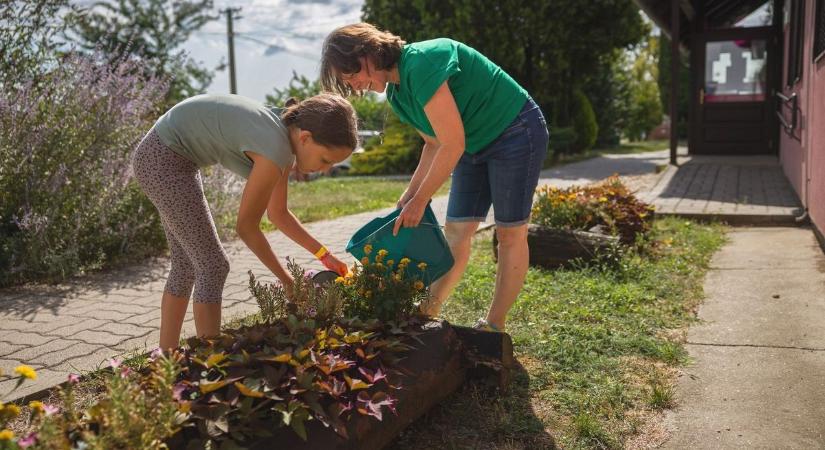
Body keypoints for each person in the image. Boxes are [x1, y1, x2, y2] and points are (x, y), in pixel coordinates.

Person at [320, 23, 549, 332]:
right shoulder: (398, 96)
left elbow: (452, 143)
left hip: (514, 130)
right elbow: (433, 143)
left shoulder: (421, 62)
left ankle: (494, 325)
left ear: (367, 54)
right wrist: (409, 196)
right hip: (471, 144)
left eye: (352, 75)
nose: (356, 86)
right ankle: (426, 313)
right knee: (456, 231)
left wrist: (422, 200)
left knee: (509, 232)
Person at [132, 93, 355, 350]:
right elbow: (246, 228)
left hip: (166, 156)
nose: (326, 169)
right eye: (325, 160)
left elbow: (278, 214)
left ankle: (167, 358)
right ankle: (208, 365)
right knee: (212, 266)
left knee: (186, 265)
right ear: (305, 138)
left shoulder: (283, 137)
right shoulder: (275, 150)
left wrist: (324, 256)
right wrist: (287, 282)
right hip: (162, 161)